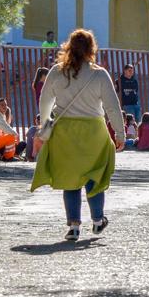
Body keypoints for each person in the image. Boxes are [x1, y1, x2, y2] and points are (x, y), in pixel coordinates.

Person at [31, 28, 123, 243]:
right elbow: (112, 107)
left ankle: (73, 225)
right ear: (92, 49)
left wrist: (45, 128)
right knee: (95, 177)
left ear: (68, 47)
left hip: (65, 132)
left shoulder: (56, 72)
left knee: (70, 180)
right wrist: (119, 132)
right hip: (94, 132)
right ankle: (98, 220)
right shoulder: (99, 74)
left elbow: (45, 102)